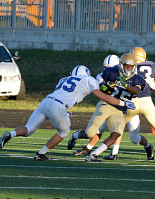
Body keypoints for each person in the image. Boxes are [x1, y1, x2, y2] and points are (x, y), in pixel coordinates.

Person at [0, 65, 135, 161]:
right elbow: (104, 97)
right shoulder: (90, 80)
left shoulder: (64, 79)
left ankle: (9, 134)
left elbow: (64, 94)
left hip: (46, 101)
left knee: (28, 129)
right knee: (63, 132)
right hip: (58, 106)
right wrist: (123, 103)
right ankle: (41, 154)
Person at [68, 53, 146, 163]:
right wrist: (107, 86)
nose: (128, 68)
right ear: (121, 65)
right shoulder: (111, 73)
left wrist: (125, 85)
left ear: (134, 67)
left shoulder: (137, 79)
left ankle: (93, 155)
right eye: (125, 65)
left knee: (116, 133)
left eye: (130, 66)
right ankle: (76, 135)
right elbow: (101, 89)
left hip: (119, 109)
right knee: (89, 133)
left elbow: (136, 90)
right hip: (106, 105)